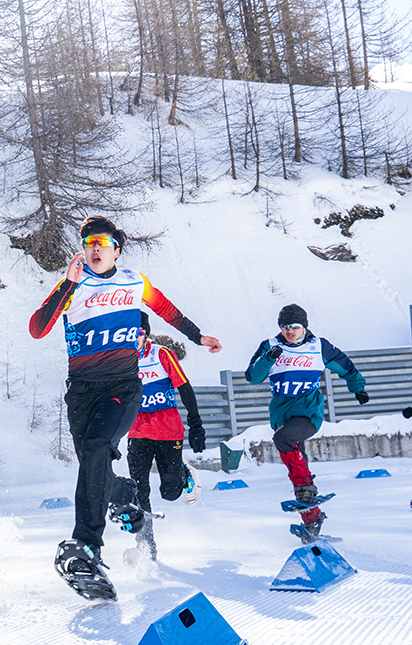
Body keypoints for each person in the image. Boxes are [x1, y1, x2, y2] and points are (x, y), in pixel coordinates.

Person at [28, 215, 221, 600]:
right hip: (81, 391)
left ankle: (87, 549)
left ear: (116, 248)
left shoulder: (135, 282)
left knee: (99, 449)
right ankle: (123, 494)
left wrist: (199, 337)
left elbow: (168, 311)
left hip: (123, 386)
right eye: (88, 242)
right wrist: (67, 283)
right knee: (92, 463)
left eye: (101, 241)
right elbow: (38, 328)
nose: (94, 248)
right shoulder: (72, 285)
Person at [244, 304, 367, 540]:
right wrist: (267, 360)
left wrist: (358, 388)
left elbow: (346, 367)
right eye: (284, 326)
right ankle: (312, 519)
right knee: (296, 468)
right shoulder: (270, 346)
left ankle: (307, 492)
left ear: (304, 327)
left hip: (309, 411)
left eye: (294, 326)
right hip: (281, 414)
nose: (289, 331)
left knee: (283, 438)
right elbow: (253, 377)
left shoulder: (319, 346)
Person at [126, 311, 205, 561]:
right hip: (137, 431)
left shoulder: (160, 354)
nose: (132, 339)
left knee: (170, 493)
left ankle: (182, 471)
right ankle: (146, 543)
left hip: (167, 429)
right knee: (139, 490)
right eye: (126, 334)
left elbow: (184, 387)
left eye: (137, 334)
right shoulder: (120, 360)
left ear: (145, 334)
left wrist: (196, 423)